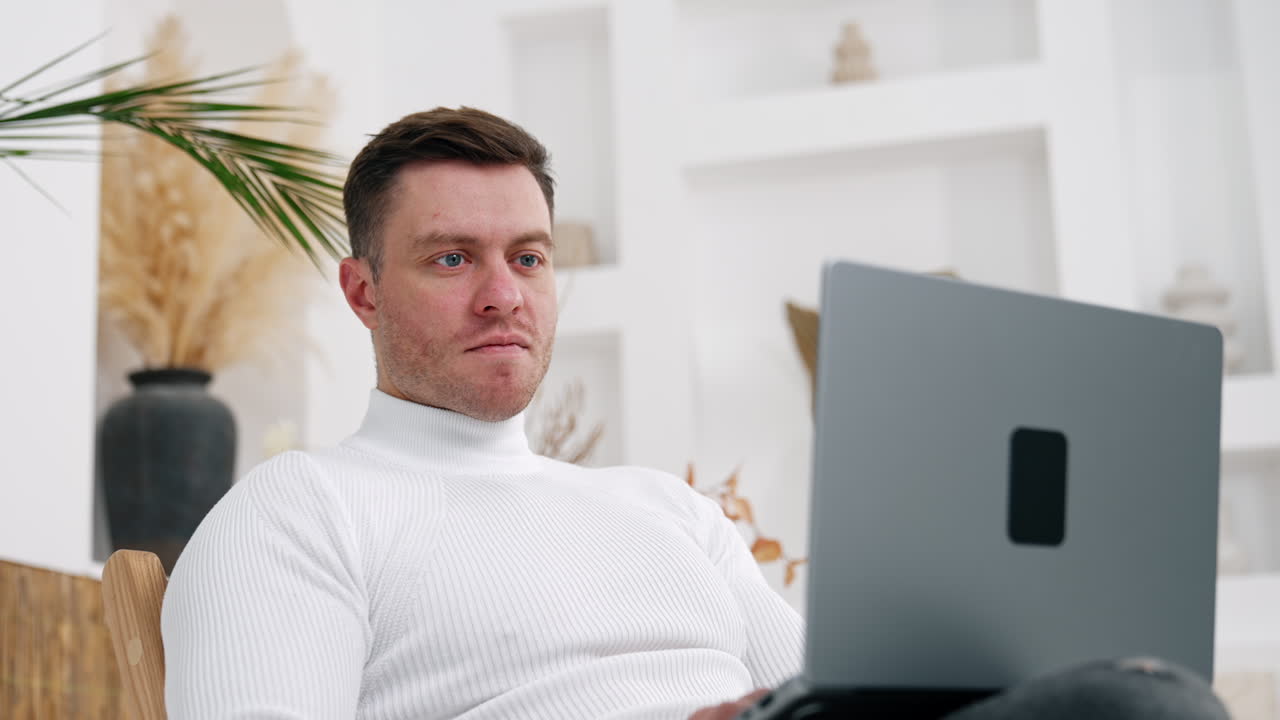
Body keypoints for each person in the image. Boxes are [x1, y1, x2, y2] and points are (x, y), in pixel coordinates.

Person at [161, 107, 1229, 720]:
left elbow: (834, 693)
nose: (504, 293)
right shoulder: (300, 510)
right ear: (362, 293)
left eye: (527, 258)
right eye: (452, 259)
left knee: (1144, 696)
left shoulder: (660, 511)